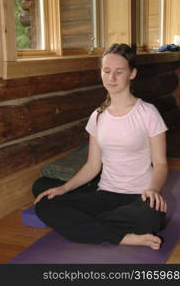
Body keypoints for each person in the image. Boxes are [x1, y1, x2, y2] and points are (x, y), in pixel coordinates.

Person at [33, 43, 168, 250]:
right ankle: (125, 237)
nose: (111, 78)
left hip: (140, 196)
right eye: (106, 71)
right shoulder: (98, 116)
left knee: (150, 214)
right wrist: (64, 188)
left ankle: (89, 226)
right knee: (45, 203)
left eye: (119, 72)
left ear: (132, 74)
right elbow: (93, 166)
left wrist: (154, 189)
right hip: (105, 195)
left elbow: (160, 163)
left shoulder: (148, 113)